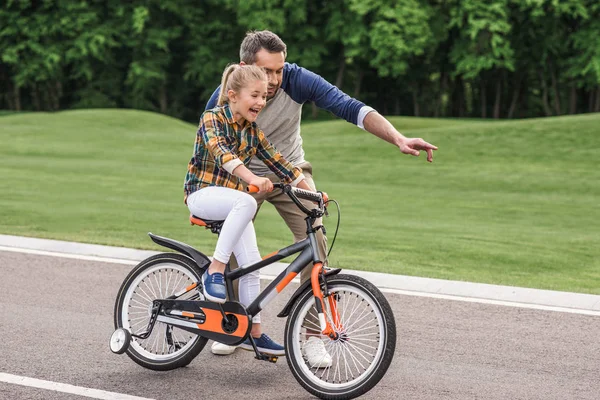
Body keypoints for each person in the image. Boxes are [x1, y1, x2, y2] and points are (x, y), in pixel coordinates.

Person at [206, 30, 438, 365]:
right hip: (242, 175)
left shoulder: (298, 80)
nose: (273, 80)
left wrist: (398, 138)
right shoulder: (225, 94)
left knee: (315, 239)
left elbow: (349, 107)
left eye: (278, 71)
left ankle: (314, 336)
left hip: (291, 170)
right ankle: (230, 323)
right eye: (266, 71)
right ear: (244, 66)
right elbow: (210, 146)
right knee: (229, 246)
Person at [184, 63, 314, 356]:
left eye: (264, 97)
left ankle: (252, 333)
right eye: (254, 95)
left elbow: (281, 163)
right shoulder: (212, 119)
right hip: (202, 194)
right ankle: (215, 270)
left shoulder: (253, 131)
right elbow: (223, 155)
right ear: (232, 95)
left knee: (253, 264)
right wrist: (254, 179)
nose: (261, 102)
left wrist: (312, 192)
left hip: (231, 200)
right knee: (244, 199)